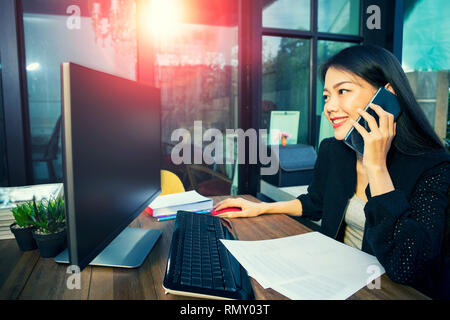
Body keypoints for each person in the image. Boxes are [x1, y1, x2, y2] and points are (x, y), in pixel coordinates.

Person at [213, 45, 450, 299]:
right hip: (331, 282)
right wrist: (262, 208)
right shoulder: (335, 150)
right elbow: (315, 203)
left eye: (343, 91)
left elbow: (407, 266)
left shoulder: (435, 166)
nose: (329, 107)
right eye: (327, 96)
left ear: (387, 96)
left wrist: (377, 166)